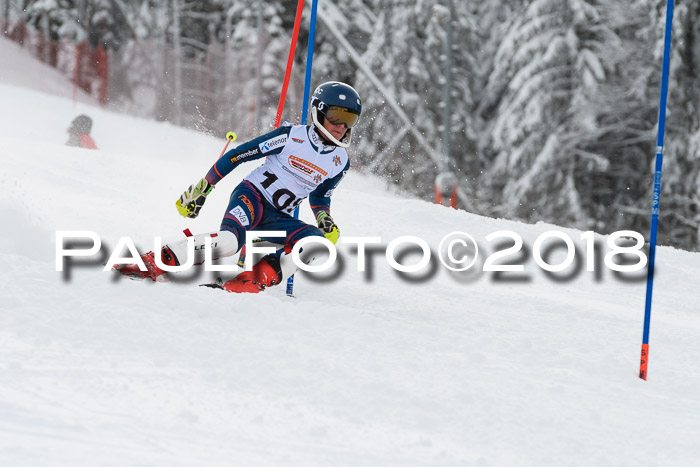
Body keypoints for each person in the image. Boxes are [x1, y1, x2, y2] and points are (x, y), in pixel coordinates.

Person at [115, 81, 362, 293]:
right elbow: (238, 155)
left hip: (277, 218)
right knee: (229, 243)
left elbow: (320, 196)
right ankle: (155, 262)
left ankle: (251, 281)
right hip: (252, 197)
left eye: (349, 119)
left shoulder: (340, 162)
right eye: (336, 116)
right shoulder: (291, 136)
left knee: (318, 245)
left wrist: (323, 217)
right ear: (319, 112)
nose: (341, 126)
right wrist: (205, 187)